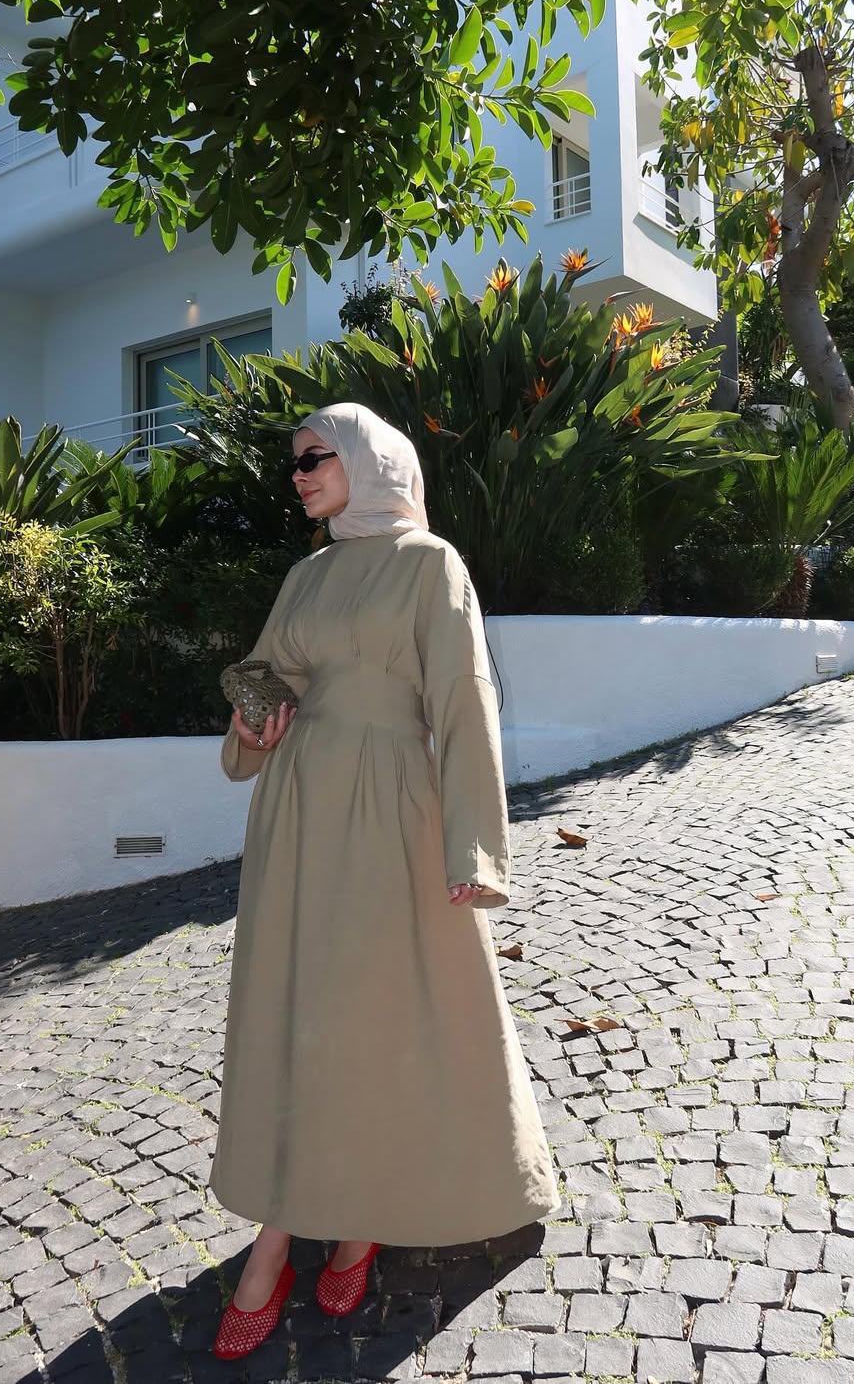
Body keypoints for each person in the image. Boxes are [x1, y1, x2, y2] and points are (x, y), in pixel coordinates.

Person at [210, 402, 559, 1361]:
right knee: (296, 1009)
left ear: (368, 461)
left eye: (315, 458)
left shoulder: (428, 563)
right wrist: (252, 721)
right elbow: (266, 676)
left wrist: (474, 850)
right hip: (296, 813)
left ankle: (345, 1223)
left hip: (389, 811)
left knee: (370, 1012)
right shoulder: (306, 575)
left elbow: (463, 702)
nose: (299, 476)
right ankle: (287, 1224)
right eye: (293, 464)